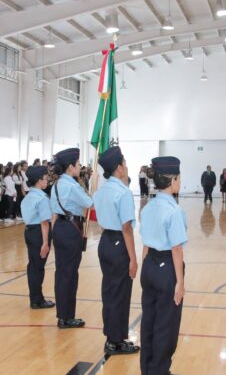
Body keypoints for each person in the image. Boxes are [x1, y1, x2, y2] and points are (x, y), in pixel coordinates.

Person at [139, 156, 187, 375]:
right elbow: (176, 249)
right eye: (179, 177)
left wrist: (145, 268)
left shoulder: (148, 208)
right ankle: (159, 370)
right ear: (173, 180)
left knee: (149, 320)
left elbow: (146, 244)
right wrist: (180, 282)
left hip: (149, 266)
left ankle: (147, 369)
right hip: (167, 267)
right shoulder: (174, 211)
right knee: (166, 325)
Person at [92, 146, 140, 355]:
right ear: (119, 168)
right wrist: (133, 259)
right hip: (120, 243)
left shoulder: (101, 191)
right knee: (120, 293)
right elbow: (127, 228)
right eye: (125, 164)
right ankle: (115, 341)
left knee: (110, 291)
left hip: (105, 242)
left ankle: (113, 335)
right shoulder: (123, 193)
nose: (127, 167)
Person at [50, 148, 93, 329]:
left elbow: (53, 211)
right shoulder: (72, 186)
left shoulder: (57, 184)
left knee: (62, 273)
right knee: (69, 275)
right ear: (70, 167)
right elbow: (89, 203)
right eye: (77, 164)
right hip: (70, 229)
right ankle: (67, 318)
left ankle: (63, 315)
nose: (80, 166)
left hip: (60, 228)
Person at [21, 165, 55, 310]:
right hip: (39, 234)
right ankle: (37, 300)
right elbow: (44, 223)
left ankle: (35, 297)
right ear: (39, 180)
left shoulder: (29, 196)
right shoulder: (41, 198)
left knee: (33, 266)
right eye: (45, 178)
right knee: (38, 268)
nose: (47, 180)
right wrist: (45, 243)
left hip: (29, 231)